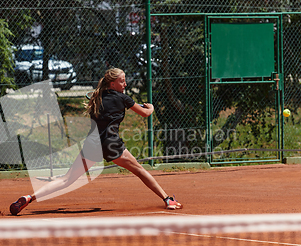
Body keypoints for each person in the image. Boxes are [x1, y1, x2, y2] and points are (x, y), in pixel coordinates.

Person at [10, 67, 182, 215]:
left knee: (66, 179)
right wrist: (150, 107)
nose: (125, 84)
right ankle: (168, 199)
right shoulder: (122, 98)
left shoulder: (97, 98)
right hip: (111, 143)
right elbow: (145, 113)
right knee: (139, 170)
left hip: (92, 144)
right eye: (122, 81)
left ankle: (29, 197)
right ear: (112, 84)